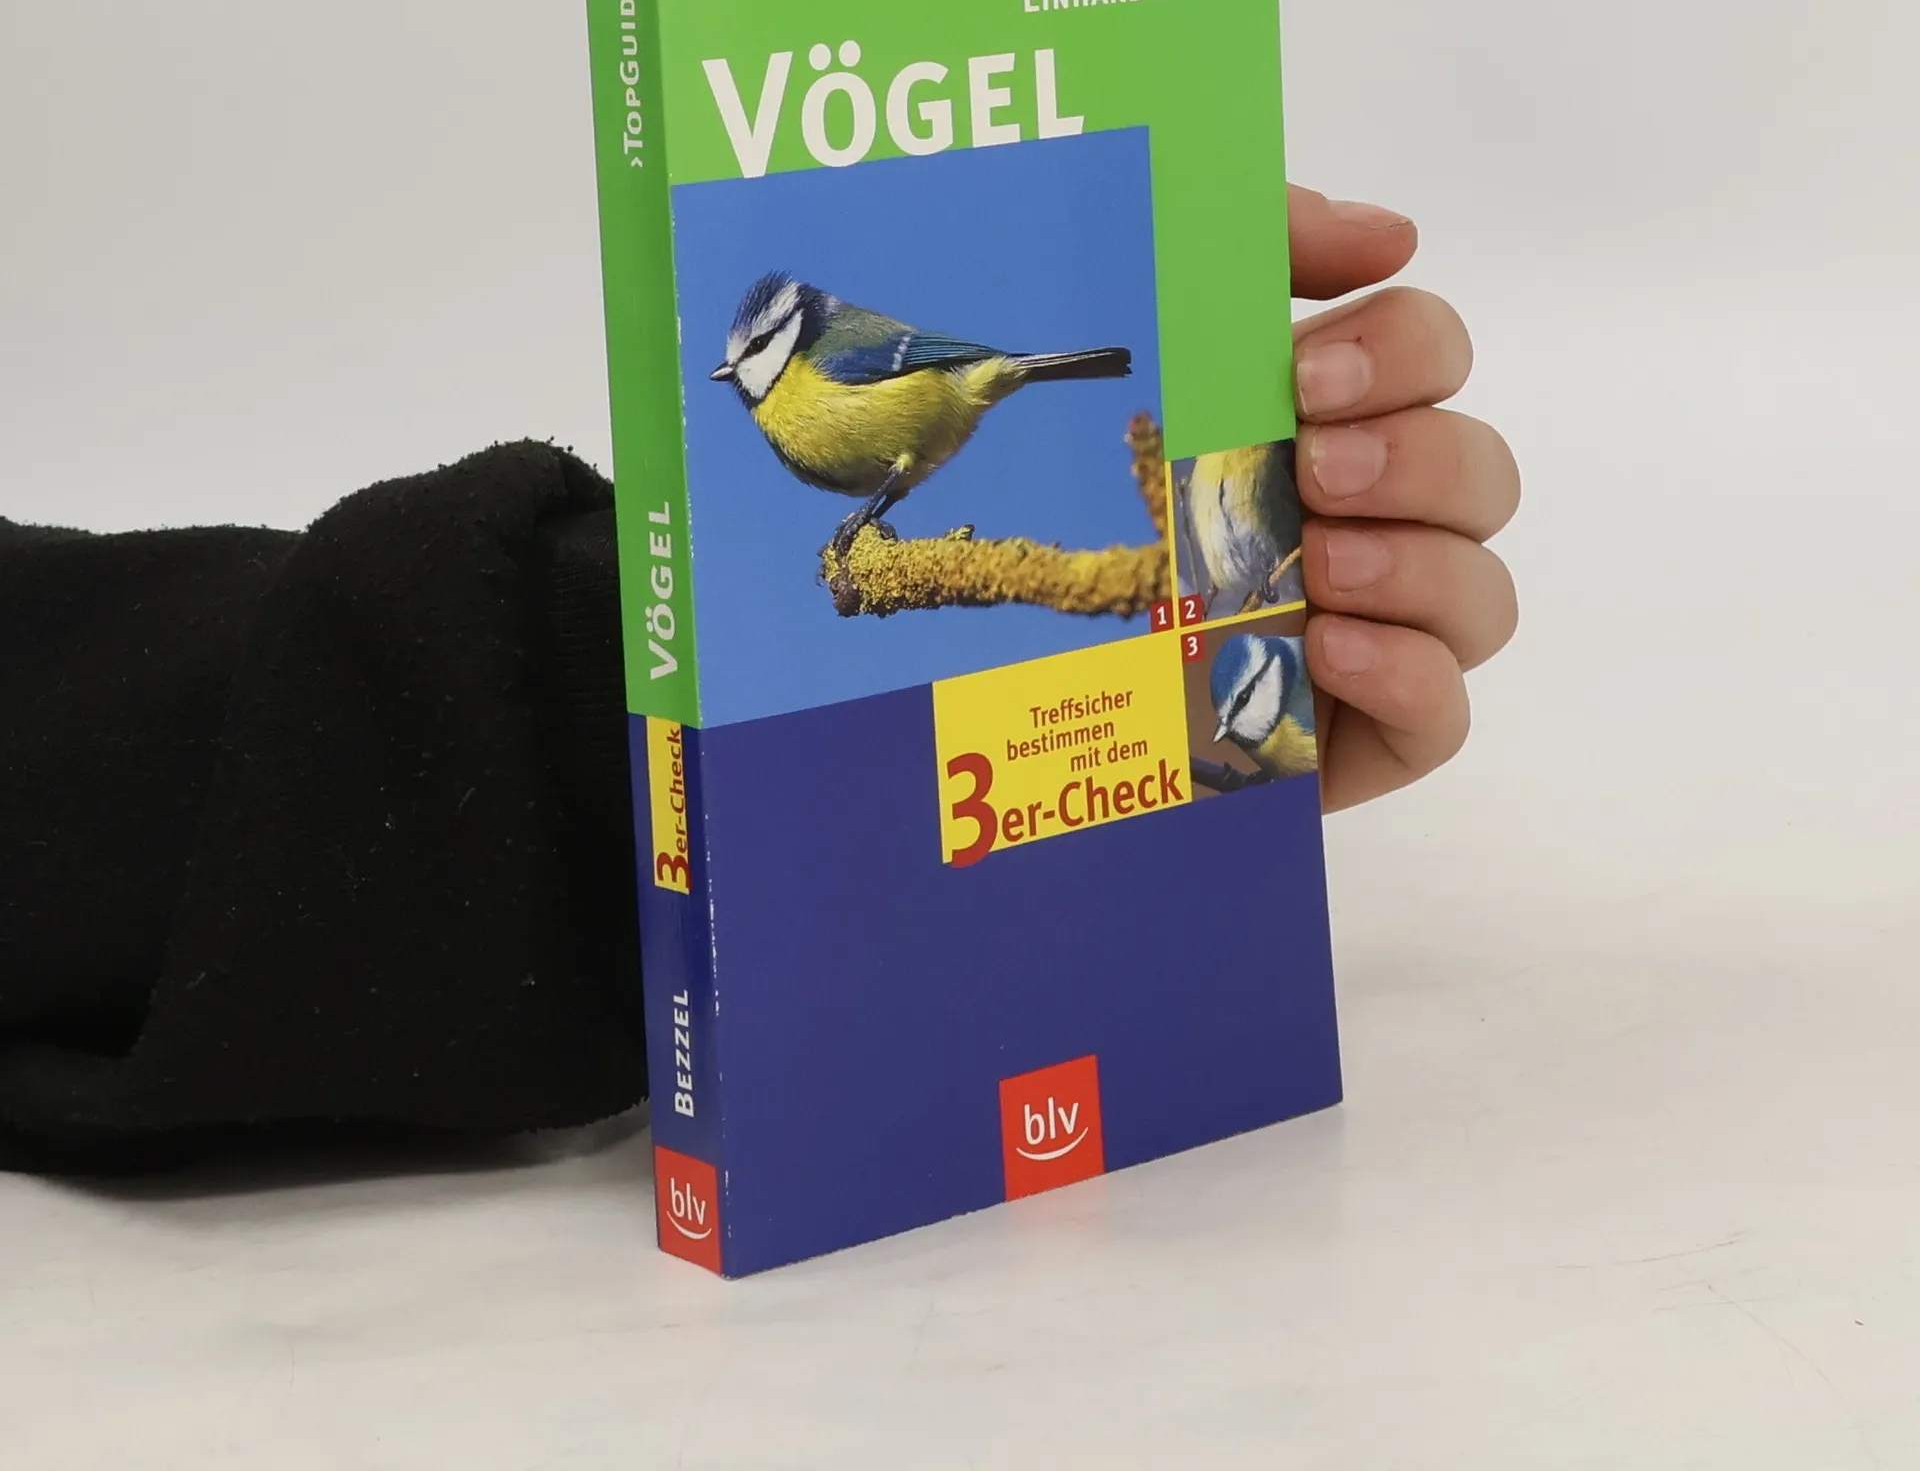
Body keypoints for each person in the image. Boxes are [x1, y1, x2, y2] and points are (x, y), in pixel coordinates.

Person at [0, 188, 1518, 1173]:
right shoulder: (785, 400)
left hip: (945, 417)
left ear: (793, 344)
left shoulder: (846, 364)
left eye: (760, 362)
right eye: (741, 371)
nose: (746, 386)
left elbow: (928, 378)